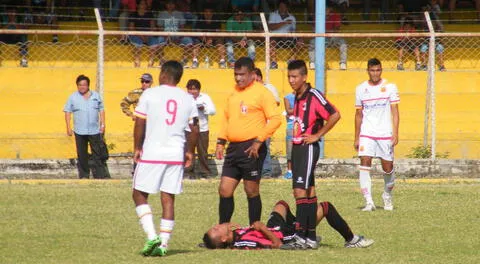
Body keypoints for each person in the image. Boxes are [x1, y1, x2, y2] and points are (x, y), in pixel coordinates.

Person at [132, 60, 199, 257]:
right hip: (175, 153)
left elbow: (139, 123)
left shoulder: (150, 93)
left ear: (162, 74)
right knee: (168, 198)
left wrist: (137, 147)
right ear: (178, 78)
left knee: (138, 194)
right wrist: (190, 151)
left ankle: (152, 236)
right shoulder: (187, 98)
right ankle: (164, 245)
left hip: (153, 152)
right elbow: (194, 127)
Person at [280, 60, 341, 250]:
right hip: (298, 147)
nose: (291, 80)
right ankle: (311, 237)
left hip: (307, 147)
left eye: (295, 77)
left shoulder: (313, 95)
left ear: (304, 77)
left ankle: (300, 236)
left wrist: (317, 135)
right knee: (309, 191)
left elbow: (335, 114)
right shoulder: (297, 96)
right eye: (289, 77)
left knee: (299, 191)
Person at [215, 57, 281, 226]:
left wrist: (259, 141)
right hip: (233, 148)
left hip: (252, 147)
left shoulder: (262, 92)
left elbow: (275, 119)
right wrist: (221, 141)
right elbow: (226, 118)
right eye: (236, 74)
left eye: (242, 74)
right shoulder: (233, 92)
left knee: (251, 190)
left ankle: (255, 229)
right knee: (224, 190)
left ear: (252, 74)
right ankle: (224, 229)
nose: (238, 78)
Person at [202, 199, 374, 249]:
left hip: (274, 227)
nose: (217, 225)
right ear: (224, 238)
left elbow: (213, 243)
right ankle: (352, 240)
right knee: (325, 207)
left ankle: (307, 230)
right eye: (216, 229)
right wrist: (261, 227)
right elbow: (276, 245)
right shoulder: (244, 243)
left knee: (281, 205)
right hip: (285, 235)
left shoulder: (236, 234)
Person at [354, 58, 400, 212]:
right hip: (367, 133)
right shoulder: (360, 89)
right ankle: (369, 202)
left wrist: (396, 133)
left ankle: (387, 194)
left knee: (388, 167)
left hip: (385, 134)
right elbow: (358, 114)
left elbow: (395, 112)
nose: (375, 73)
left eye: (378, 70)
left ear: (381, 70)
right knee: (364, 162)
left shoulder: (390, 87)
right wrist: (356, 137)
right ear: (368, 71)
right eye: (372, 70)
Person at [64, 75, 110, 179]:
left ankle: (99, 175)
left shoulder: (96, 96)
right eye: (79, 85)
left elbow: (101, 110)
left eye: (84, 85)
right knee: (82, 154)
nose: (82, 87)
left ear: (88, 85)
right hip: (79, 131)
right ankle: (84, 175)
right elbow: (67, 112)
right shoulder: (73, 97)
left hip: (94, 130)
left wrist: (103, 124)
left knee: (97, 154)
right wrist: (68, 127)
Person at [185, 79, 216, 178]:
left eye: (194, 89)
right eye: (190, 89)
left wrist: (204, 108)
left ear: (199, 90)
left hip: (202, 128)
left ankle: (205, 172)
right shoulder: (184, 98)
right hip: (189, 129)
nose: (192, 91)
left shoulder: (205, 97)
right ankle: (189, 172)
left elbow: (213, 111)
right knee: (189, 151)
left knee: (203, 151)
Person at [253, 67, 280, 178]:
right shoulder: (250, 90)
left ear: (258, 77)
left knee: (265, 147)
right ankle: (255, 171)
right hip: (253, 123)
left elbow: (276, 102)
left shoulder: (269, 88)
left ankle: (266, 172)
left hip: (267, 124)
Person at [157, 0, 195, 68]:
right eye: (169, 4)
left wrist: (179, 36)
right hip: (165, 36)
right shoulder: (162, 14)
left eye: (172, 4)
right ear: (166, 5)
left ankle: (184, 60)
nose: (170, 5)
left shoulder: (179, 13)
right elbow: (160, 28)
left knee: (188, 40)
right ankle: (162, 60)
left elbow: (182, 27)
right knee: (159, 40)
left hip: (177, 35)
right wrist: (166, 37)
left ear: (175, 5)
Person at [308, 6, 348, 70]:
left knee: (343, 42)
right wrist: (326, 31)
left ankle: (343, 63)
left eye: (327, 8)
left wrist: (324, 31)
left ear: (330, 9)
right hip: (320, 38)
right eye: (323, 8)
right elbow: (314, 29)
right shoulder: (318, 16)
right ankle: (312, 62)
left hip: (332, 37)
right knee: (312, 42)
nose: (325, 10)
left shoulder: (335, 16)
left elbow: (336, 30)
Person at [128, 0, 161, 67]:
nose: (143, 6)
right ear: (138, 5)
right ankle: (137, 63)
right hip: (136, 34)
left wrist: (147, 35)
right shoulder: (133, 14)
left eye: (144, 4)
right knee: (138, 44)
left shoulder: (150, 14)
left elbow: (153, 27)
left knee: (154, 43)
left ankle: (150, 63)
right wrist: (142, 36)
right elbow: (131, 28)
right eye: (141, 4)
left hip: (148, 34)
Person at [268, 0, 297, 69]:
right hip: (276, 37)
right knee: (272, 41)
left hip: (287, 37)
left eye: (284, 6)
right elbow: (271, 27)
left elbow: (294, 30)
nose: (282, 8)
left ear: (287, 8)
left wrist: (295, 36)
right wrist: (284, 23)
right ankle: (274, 62)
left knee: (299, 42)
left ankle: (291, 60)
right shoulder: (273, 14)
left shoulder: (292, 17)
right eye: (280, 6)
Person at [283, 91, 295, 179]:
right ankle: (290, 171)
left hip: (302, 128)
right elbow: (288, 111)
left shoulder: (307, 96)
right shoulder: (288, 97)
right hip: (291, 127)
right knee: (290, 150)